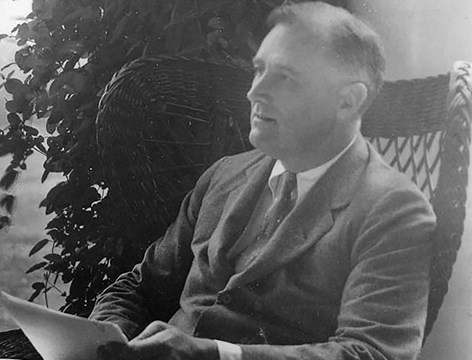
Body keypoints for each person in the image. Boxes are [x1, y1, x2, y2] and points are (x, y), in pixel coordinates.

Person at [90, 2, 436, 360]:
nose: (254, 92)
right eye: (259, 70)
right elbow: (140, 286)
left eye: (285, 77)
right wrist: (102, 339)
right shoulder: (226, 174)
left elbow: (372, 353)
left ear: (348, 101)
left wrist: (214, 354)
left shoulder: (394, 210)